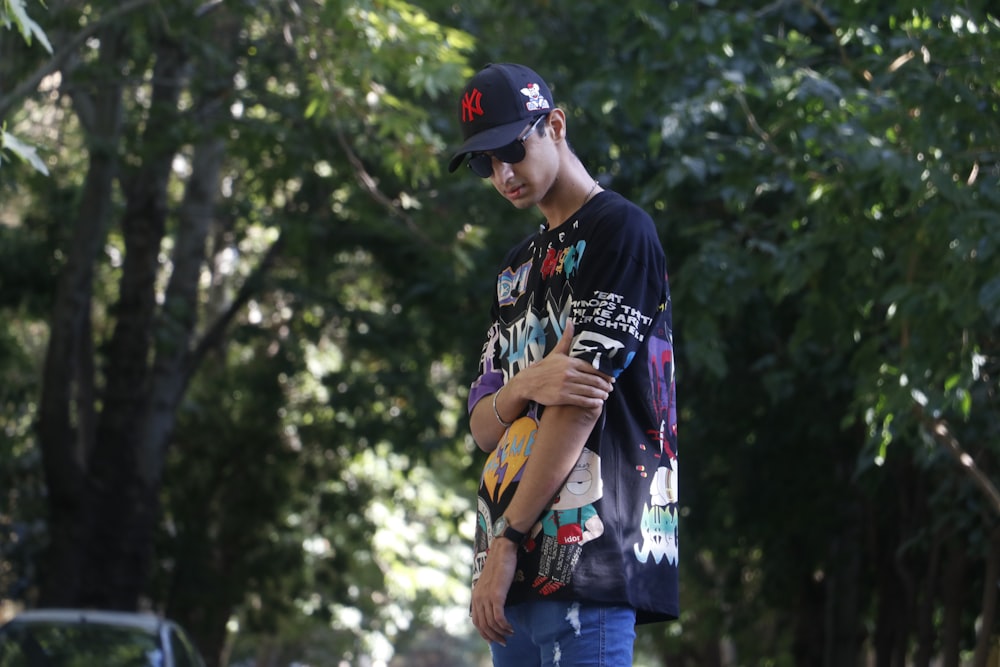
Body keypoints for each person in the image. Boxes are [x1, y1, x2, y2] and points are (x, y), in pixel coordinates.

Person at [448, 62, 679, 666]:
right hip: (509, 585)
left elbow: (578, 403)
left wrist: (508, 541)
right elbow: (482, 426)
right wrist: (528, 381)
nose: (502, 174)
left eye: (510, 150)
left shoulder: (619, 231)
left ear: (554, 125)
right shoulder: (514, 268)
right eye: (484, 163)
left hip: (587, 562)